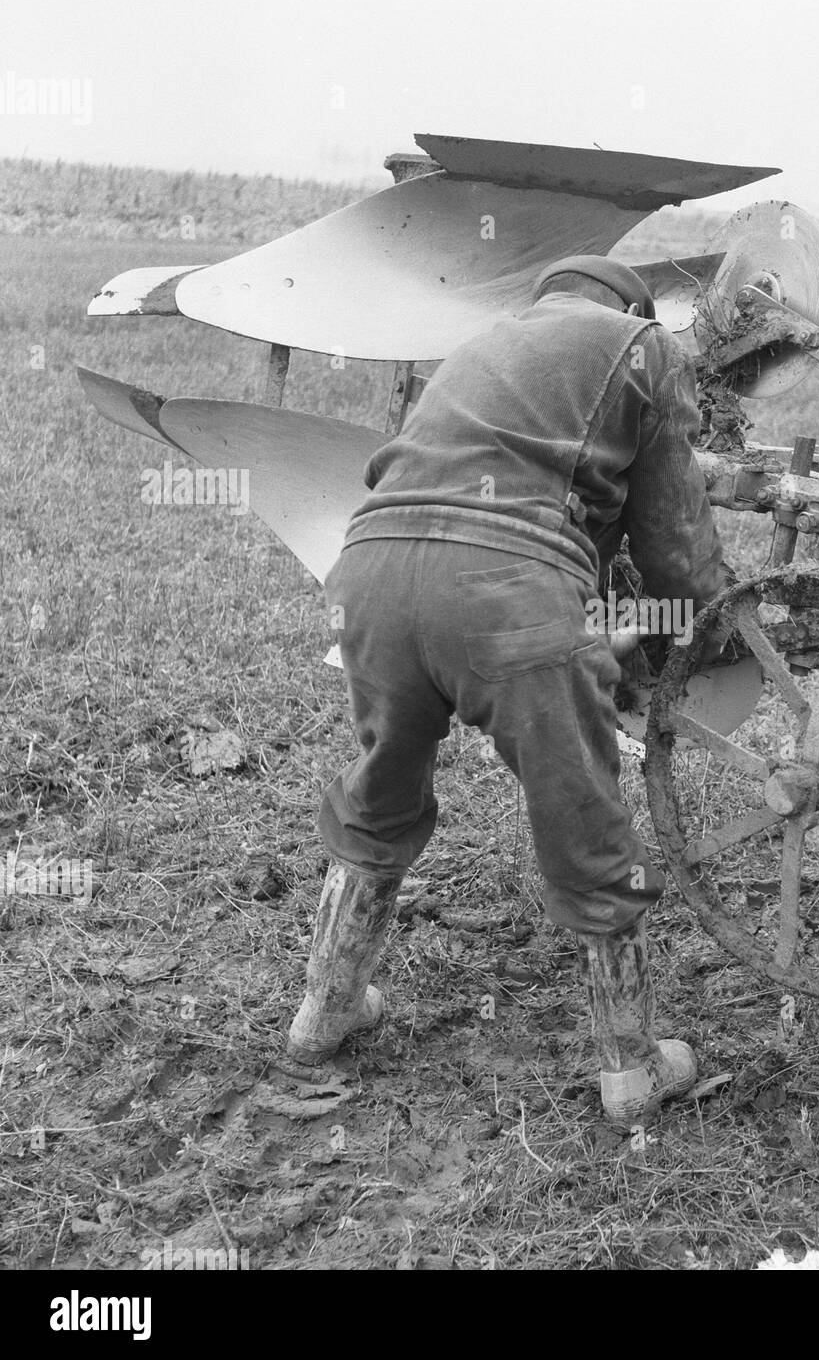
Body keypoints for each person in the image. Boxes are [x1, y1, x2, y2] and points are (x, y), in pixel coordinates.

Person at [286, 255, 728, 1125]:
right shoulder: (642, 346)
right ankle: (631, 1072)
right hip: (505, 594)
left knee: (380, 789)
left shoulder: (479, 345)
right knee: (582, 815)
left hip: (369, 574)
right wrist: (705, 625)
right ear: (630, 306)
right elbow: (672, 539)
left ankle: (322, 1016)